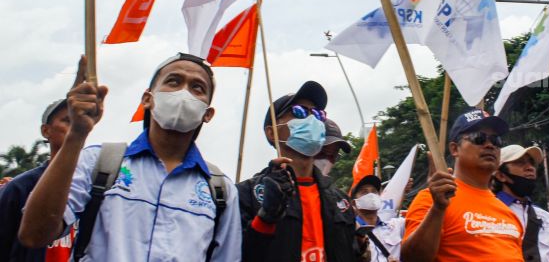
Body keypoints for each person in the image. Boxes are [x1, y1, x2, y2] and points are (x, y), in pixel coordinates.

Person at [18, 53, 241, 261]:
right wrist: (76, 135)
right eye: (174, 81)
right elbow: (33, 235)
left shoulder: (220, 191)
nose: (183, 93)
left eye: (197, 88)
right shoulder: (99, 163)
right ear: (147, 99)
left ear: (208, 114)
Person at [237, 81, 370, 262]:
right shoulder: (246, 195)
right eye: (299, 112)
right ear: (271, 132)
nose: (312, 120)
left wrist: (362, 248)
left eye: (318, 114)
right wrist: (266, 218)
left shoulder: (341, 201)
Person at [401, 108, 524, 262]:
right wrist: (438, 209)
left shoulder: (509, 214)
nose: (489, 145)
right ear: (454, 149)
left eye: (495, 140)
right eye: (479, 138)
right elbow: (412, 258)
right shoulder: (431, 199)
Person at [0, 99, 76, 261]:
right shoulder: (19, 188)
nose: (76, 126)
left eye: (79, 120)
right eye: (67, 120)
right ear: (46, 131)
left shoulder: (96, 183)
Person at [494, 144, 549, 262]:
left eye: (531, 163)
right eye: (520, 162)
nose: (530, 167)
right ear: (501, 175)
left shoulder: (546, 218)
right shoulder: (487, 213)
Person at [352, 175, 404, 262]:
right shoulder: (349, 233)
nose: (371, 195)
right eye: (364, 192)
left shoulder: (397, 226)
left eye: (374, 191)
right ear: (354, 203)